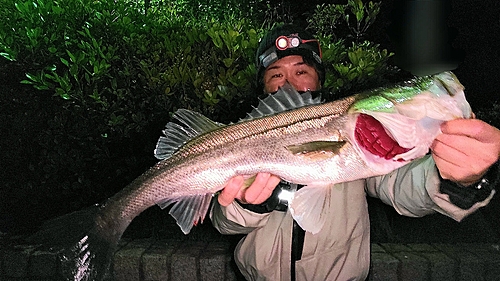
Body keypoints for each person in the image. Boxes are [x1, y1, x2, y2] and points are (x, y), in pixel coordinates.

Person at [209, 24, 500, 281]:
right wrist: (253, 204)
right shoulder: (241, 136)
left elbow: (404, 188)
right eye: (276, 74)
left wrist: (457, 178)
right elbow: (223, 223)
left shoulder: (359, 134)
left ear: (318, 80)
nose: (290, 83)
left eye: (301, 71)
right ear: (263, 86)